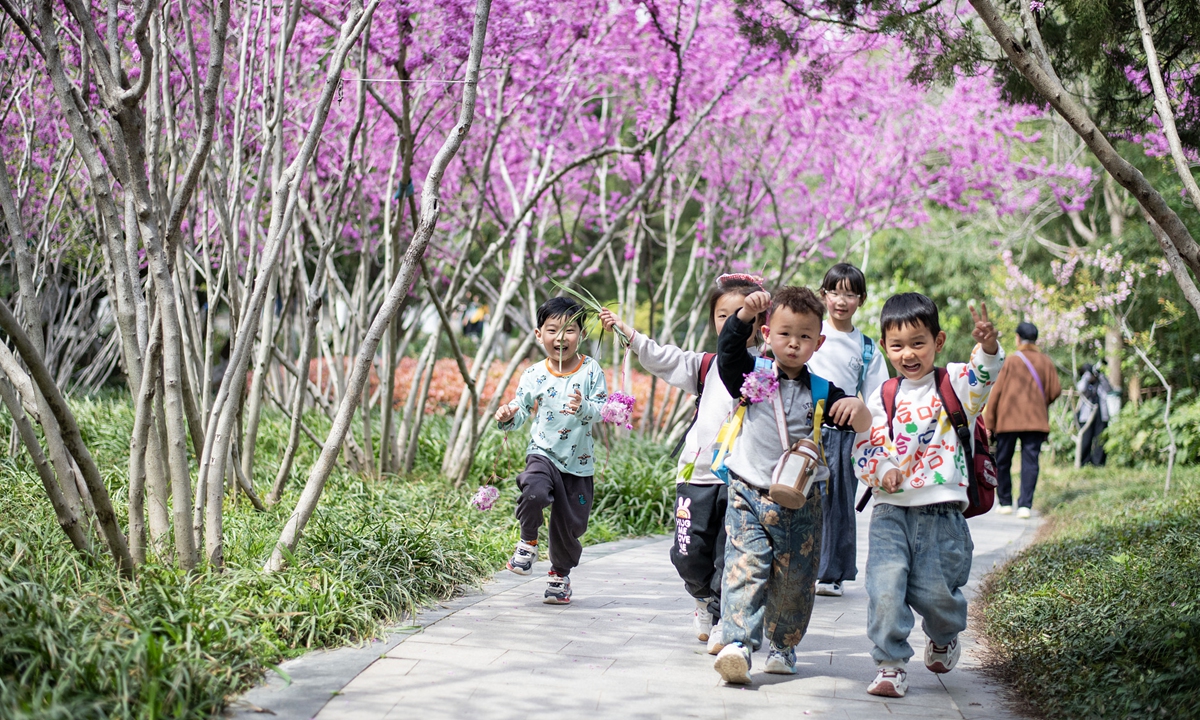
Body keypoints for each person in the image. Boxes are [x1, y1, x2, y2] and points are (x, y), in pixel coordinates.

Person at [710, 286, 870, 685]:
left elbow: (859, 423)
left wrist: (858, 408)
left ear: (819, 342)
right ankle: (737, 644)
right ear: (767, 333)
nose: (794, 343)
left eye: (804, 336)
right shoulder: (751, 374)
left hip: (802, 500)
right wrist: (743, 316)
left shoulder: (823, 391)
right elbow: (727, 354)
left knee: (795, 578)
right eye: (785, 334)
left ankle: (783, 646)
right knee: (745, 566)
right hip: (748, 490)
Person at [599, 274, 765, 652]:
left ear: (759, 322)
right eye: (723, 315)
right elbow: (661, 356)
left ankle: (723, 619)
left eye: (742, 314)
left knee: (729, 556)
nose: (732, 322)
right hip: (697, 475)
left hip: (741, 481)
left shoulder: (769, 369)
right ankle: (702, 597)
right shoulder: (703, 365)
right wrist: (627, 332)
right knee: (686, 554)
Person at [852, 293, 1002, 698]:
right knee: (885, 587)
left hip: (942, 510)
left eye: (918, 343)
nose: (908, 354)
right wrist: (882, 469)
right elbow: (866, 445)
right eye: (897, 345)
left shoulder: (954, 383)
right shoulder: (883, 395)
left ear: (938, 341)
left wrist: (988, 348)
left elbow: (983, 376)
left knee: (937, 593)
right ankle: (890, 664)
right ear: (885, 347)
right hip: (890, 510)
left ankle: (944, 633)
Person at [494, 297, 608, 604]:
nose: (561, 337)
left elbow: (603, 409)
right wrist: (507, 415)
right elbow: (520, 409)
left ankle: (559, 575)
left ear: (581, 334)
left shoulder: (591, 370)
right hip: (542, 453)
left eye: (569, 330)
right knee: (533, 491)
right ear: (538, 334)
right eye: (553, 330)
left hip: (578, 463)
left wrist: (584, 407)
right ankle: (527, 542)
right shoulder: (534, 374)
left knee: (569, 526)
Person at [807, 263, 889, 597]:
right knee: (798, 496)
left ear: (861, 299)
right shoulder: (810, 334)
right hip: (804, 430)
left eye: (850, 294)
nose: (842, 301)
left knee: (839, 503)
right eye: (835, 292)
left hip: (843, 436)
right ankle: (796, 568)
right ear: (823, 295)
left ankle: (832, 574)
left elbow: (878, 399)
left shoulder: (867, 348)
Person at [983, 321, 1061, 519]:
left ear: (1018, 338)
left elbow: (996, 393)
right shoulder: (1045, 361)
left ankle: (1005, 502)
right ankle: (1025, 505)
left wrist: (989, 423)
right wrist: (1040, 403)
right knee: (1030, 462)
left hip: (1008, 421)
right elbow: (1055, 390)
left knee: (1003, 460)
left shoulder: (1011, 361)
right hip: (1035, 421)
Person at [1076, 362, 1112, 467]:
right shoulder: (1085, 383)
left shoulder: (1100, 383)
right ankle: (1083, 462)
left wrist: (1100, 376)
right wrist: (1086, 376)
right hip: (1086, 415)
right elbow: (1080, 389)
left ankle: (1098, 463)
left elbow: (1109, 389)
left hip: (1101, 415)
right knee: (1086, 439)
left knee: (1100, 439)